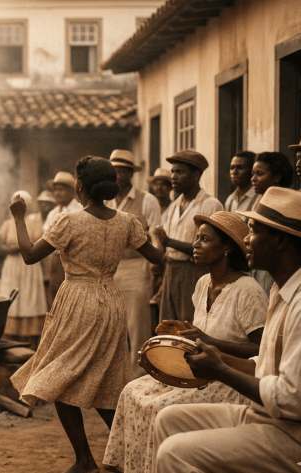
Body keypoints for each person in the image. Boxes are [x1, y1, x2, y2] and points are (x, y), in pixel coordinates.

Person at [8, 156, 164, 473]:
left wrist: (19, 217)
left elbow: (28, 255)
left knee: (57, 380)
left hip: (77, 301)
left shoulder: (70, 222)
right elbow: (158, 257)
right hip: (110, 299)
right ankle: (138, 454)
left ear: (80, 187)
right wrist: (158, 237)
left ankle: (85, 460)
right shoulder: (127, 221)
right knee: (107, 382)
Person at [150, 187, 301, 472]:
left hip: (291, 433)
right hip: (264, 416)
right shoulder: (281, 290)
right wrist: (216, 357)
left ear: (280, 240)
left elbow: (290, 399)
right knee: (168, 419)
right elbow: (263, 365)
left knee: (174, 453)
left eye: (254, 230)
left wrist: (221, 372)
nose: (245, 239)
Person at [104, 211, 266, 473]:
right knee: (131, 392)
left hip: (228, 378)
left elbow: (262, 350)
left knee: (158, 407)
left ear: (226, 248)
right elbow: (200, 334)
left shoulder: (249, 290)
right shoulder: (202, 283)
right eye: (196, 238)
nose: (195, 244)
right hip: (198, 370)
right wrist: (178, 335)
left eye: (205, 239)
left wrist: (210, 341)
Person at [105, 150, 162, 376]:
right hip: (109, 268)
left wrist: (155, 267)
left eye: (123, 171)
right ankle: (114, 378)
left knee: (137, 326)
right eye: (115, 171)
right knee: (111, 326)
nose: (119, 175)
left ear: (131, 173)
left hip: (137, 266)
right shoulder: (105, 199)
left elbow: (157, 235)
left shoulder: (147, 199)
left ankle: (139, 377)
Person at [153, 150, 224, 323]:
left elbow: (209, 249)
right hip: (171, 270)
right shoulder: (175, 206)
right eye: (173, 172)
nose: (174, 177)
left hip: (194, 272)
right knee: (168, 326)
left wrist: (168, 241)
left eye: (180, 172)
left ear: (196, 175)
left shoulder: (210, 205)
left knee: (190, 325)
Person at [0, 190, 47, 345]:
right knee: (10, 293)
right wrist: (9, 248)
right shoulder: (6, 224)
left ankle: (29, 338)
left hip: (29, 265)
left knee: (29, 296)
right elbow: (1, 245)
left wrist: (21, 247)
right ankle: (10, 337)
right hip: (12, 265)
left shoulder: (34, 223)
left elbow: (36, 242)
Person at [249, 151, 295, 293]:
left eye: (260, 174)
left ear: (276, 177)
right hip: (259, 265)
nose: (253, 179)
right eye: (253, 174)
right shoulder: (257, 201)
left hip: (278, 268)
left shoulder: (287, 202)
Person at [43, 171, 83, 306]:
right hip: (56, 261)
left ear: (72, 191)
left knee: (74, 300)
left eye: (61, 189)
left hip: (76, 261)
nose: (57, 193)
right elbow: (46, 237)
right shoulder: (52, 213)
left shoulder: (80, 210)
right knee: (56, 299)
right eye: (55, 190)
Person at [147, 167, 174, 333]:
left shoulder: (174, 209)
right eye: (156, 184)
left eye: (164, 184)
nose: (159, 188)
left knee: (165, 300)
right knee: (150, 296)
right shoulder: (149, 205)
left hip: (169, 257)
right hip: (151, 259)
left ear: (170, 187)